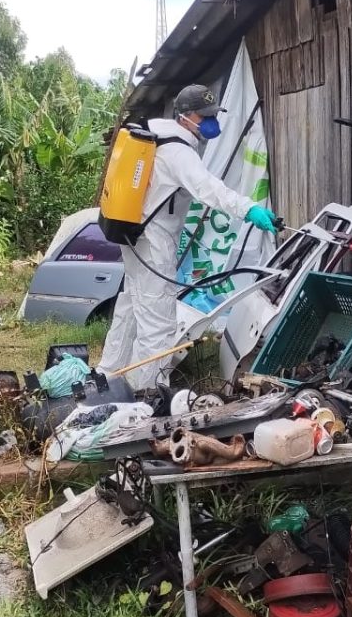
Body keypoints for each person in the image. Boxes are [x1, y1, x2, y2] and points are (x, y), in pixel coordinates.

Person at [96, 84, 278, 391]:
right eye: (203, 115)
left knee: (131, 306)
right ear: (184, 116)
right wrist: (249, 209)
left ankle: (108, 373)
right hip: (153, 242)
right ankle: (148, 393)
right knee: (159, 323)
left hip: (134, 236)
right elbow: (210, 190)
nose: (210, 121)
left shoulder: (155, 136)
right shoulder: (178, 151)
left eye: (212, 114)